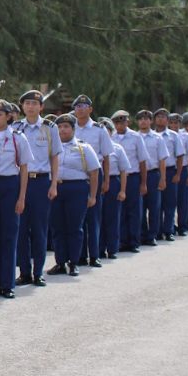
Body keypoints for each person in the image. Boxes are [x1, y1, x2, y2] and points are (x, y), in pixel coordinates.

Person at [0, 100, 30, 299]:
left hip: (10, 185)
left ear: (8, 116)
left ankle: (8, 283)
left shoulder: (18, 138)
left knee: (9, 236)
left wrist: (22, 197)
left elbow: (24, 169)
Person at [15, 90, 59, 287]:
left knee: (40, 229)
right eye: (27, 103)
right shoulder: (16, 128)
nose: (30, 107)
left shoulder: (50, 128)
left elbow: (54, 156)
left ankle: (38, 272)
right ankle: (24, 271)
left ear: (41, 107)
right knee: (21, 228)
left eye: (34, 103)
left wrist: (54, 183)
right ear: (22, 106)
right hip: (20, 182)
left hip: (41, 181)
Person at [48, 114, 101, 277]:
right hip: (56, 188)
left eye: (66, 127)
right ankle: (60, 262)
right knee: (57, 227)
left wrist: (93, 196)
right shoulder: (50, 148)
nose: (62, 130)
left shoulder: (83, 147)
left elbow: (94, 173)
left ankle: (74, 262)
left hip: (76, 188)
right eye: (59, 127)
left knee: (74, 227)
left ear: (73, 129)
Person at [71, 95, 113, 268]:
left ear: (90, 109)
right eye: (77, 106)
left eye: (83, 106)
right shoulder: (70, 127)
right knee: (77, 217)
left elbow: (107, 156)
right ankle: (80, 255)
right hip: (75, 175)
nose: (80, 109)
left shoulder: (99, 129)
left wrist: (107, 180)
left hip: (95, 174)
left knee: (94, 216)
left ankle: (94, 254)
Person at [110, 111, 149, 254]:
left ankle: (134, 241)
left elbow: (142, 161)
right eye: (117, 123)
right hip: (118, 177)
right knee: (120, 210)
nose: (120, 125)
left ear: (128, 122)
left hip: (133, 177)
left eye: (122, 122)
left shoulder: (136, 137)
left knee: (134, 210)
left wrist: (143, 183)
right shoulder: (111, 137)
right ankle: (122, 240)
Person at [95, 117, 128, 261]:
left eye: (107, 130)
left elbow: (123, 171)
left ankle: (112, 248)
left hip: (113, 182)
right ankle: (99, 249)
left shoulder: (117, 148)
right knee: (98, 218)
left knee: (112, 217)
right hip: (96, 182)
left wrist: (122, 190)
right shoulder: (92, 147)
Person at [136, 110, 169, 247]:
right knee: (140, 206)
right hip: (138, 175)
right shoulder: (134, 137)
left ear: (151, 121)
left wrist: (163, 178)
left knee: (154, 206)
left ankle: (153, 235)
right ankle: (142, 234)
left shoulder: (157, 138)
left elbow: (162, 160)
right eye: (140, 119)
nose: (143, 121)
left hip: (153, 174)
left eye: (146, 119)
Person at [153, 108, 184, 242]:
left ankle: (169, 230)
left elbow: (180, 156)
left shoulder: (174, 136)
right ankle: (157, 230)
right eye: (158, 117)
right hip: (155, 171)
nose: (160, 119)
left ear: (167, 120)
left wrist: (178, 173)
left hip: (170, 170)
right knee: (156, 204)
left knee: (170, 202)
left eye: (164, 117)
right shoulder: (150, 135)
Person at [169, 113, 188, 236]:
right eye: (171, 123)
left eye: (176, 123)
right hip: (170, 170)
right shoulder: (165, 136)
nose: (173, 125)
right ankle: (170, 226)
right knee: (170, 200)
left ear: (180, 124)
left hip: (183, 169)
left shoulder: (185, 136)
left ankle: (182, 225)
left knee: (183, 199)